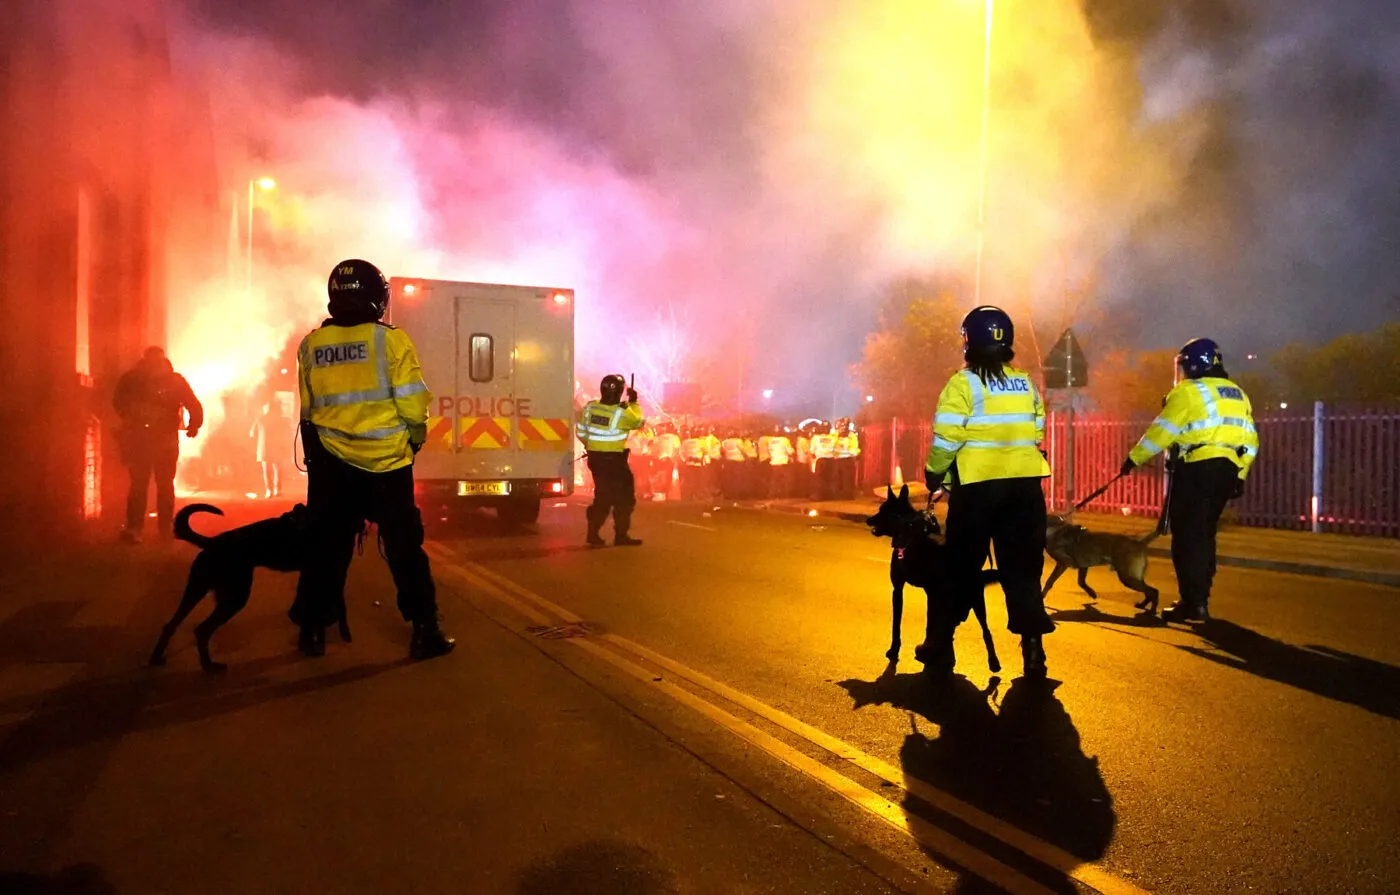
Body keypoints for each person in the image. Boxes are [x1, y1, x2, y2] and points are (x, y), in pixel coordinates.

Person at [289, 259, 454, 660]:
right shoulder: (391, 341)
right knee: (404, 550)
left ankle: (311, 630)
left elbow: (309, 410)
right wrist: (415, 438)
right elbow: (413, 405)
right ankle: (424, 630)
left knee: (326, 548)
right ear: (378, 299)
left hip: (331, 467)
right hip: (387, 466)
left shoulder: (311, 345)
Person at [924, 306, 1052, 678]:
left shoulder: (962, 385)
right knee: (1023, 571)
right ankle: (1033, 653)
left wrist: (934, 476)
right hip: (1025, 491)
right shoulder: (1025, 384)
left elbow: (947, 439)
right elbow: (1038, 432)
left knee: (960, 568)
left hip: (977, 491)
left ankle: (940, 644)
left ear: (968, 341)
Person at [1120, 338, 1258, 622]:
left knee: (1186, 538)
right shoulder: (1238, 394)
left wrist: (1134, 458)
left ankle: (1192, 603)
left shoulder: (1188, 391)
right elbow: (1251, 440)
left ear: (1193, 364)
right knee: (1205, 535)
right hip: (1226, 470)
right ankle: (1201, 598)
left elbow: (1163, 431)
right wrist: (1240, 474)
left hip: (1196, 468)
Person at [114, 347, 203, 543]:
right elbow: (193, 404)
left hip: (154, 439)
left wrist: (194, 424)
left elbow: (118, 403)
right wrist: (193, 425)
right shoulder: (164, 380)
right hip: (152, 439)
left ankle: (144, 528)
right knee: (153, 485)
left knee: (149, 485)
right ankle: (157, 528)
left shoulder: (134, 378)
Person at [577, 374, 646, 546]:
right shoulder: (621, 412)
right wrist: (633, 402)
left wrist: (592, 446)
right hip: (614, 462)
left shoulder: (590, 408)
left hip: (595, 459)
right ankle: (621, 535)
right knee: (624, 498)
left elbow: (581, 431)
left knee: (602, 496)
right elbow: (638, 421)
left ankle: (593, 533)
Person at [250, 397, 293, 498]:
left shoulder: (260, 419)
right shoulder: (281, 420)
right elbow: (287, 434)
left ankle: (268, 490)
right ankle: (276, 489)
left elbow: (252, 433)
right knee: (277, 469)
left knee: (267, 470)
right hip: (278, 448)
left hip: (264, 448)